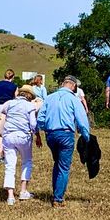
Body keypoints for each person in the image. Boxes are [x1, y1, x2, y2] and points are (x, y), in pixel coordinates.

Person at [37, 75, 91, 208]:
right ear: (73, 86)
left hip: (51, 135)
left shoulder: (49, 98)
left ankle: (56, 192)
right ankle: (58, 198)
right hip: (66, 134)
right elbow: (82, 120)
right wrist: (86, 136)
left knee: (57, 163)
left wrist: (45, 128)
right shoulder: (73, 99)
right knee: (63, 166)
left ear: (63, 84)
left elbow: (40, 118)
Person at [0, 85, 42, 206]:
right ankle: (23, 190)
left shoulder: (9, 103)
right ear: (30, 96)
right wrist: (37, 136)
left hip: (8, 136)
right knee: (27, 161)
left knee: (10, 165)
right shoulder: (30, 106)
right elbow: (33, 124)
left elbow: (0, 113)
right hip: (23, 136)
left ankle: (10, 196)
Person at [0, 69, 18, 163]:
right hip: (8, 108)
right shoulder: (14, 86)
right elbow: (16, 99)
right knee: (4, 133)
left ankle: (4, 155)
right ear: (13, 77)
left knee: (2, 133)